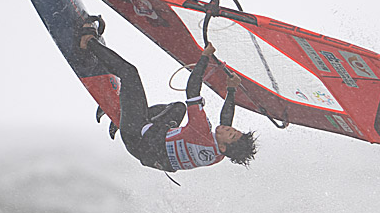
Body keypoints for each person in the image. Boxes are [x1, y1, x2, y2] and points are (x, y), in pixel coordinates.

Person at [79, 30, 257, 173]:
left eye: (231, 134)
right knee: (178, 108)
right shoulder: (218, 156)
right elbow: (225, 122)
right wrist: (231, 89)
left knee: (130, 74)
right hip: (148, 153)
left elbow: (192, 89)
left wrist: (205, 57)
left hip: (136, 137)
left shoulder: (200, 132)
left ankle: (88, 41)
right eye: (235, 130)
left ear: (225, 147)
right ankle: (124, 115)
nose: (230, 128)